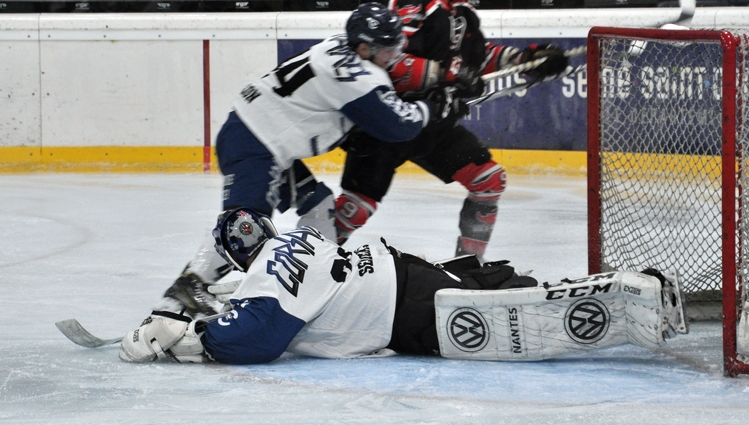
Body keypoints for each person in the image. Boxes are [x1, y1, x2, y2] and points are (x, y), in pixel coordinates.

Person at [140, 3, 448, 322]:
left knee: (320, 208)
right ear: (364, 47)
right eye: (389, 48)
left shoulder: (337, 46)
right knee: (245, 228)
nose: (394, 55)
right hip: (258, 144)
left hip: (257, 134)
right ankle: (179, 300)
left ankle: (309, 289)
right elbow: (398, 125)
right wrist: (433, 107)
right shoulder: (358, 76)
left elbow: (366, 93)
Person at [119, 207, 688, 364]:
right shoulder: (297, 238)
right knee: (508, 283)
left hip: (409, 310)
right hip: (410, 270)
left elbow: (257, 337)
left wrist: (186, 336)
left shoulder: (269, 269)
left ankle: (618, 298)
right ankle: (626, 286)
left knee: (516, 313)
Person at [334, 0, 571, 260]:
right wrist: (447, 74)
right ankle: (304, 262)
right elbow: (390, 60)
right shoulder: (411, 0)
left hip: (434, 126)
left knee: (488, 180)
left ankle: (469, 265)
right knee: (355, 209)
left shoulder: (463, 14)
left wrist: (526, 60)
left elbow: (479, 57)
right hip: (388, 124)